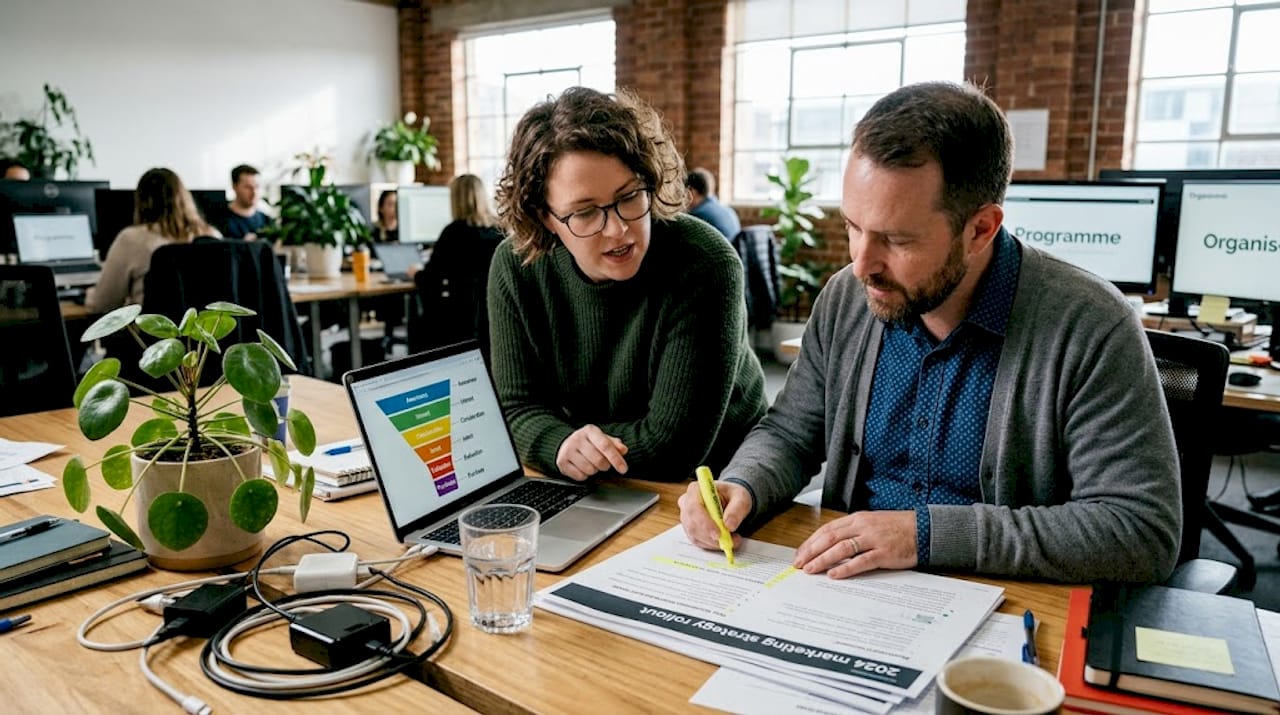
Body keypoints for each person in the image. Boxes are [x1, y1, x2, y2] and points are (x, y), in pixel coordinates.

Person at [679, 81, 1182, 584]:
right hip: (845, 591)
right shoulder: (848, 298)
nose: (861, 265)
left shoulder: (1089, 324)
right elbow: (791, 432)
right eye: (853, 226)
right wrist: (744, 483)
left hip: (1005, 604)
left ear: (981, 229)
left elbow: (1139, 530)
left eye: (897, 240)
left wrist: (923, 535)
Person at [489, 86, 768, 482]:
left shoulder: (705, 263)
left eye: (630, 196)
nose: (619, 230)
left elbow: (672, 447)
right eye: (584, 213)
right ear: (545, 217)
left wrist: (567, 441)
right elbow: (516, 408)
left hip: (722, 480)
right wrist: (563, 447)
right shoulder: (516, 266)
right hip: (599, 481)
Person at [87, 168, 220, 312]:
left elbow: (103, 305)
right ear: (185, 197)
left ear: (142, 201)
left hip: (153, 332)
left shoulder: (131, 239)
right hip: (206, 332)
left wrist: (90, 295)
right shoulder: (213, 236)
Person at [409, 174, 503, 352]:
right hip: (495, 317)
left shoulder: (454, 233)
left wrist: (415, 273)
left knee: (420, 325)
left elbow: (430, 280)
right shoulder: (501, 231)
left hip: (460, 320)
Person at [216, 164, 270, 240]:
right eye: (248, 187)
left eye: (257, 187)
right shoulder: (220, 221)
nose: (254, 192)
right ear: (235, 187)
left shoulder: (266, 220)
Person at [685, 167, 740, 240]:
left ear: (692, 191)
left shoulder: (698, 214)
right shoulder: (729, 210)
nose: (684, 197)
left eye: (685, 192)